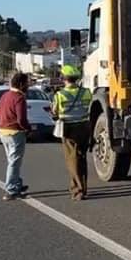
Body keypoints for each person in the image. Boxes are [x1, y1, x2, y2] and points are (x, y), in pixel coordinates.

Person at [52, 65, 93, 201]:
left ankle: (78, 191)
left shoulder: (60, 95)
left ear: (64, 78)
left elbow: (55, 112)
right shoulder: (86, 92)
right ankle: (82, 187)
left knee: (72, 160)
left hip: (69, 129)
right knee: (81, 158)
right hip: (85, 127)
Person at [0, 73, 31, 201]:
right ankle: (11, 190)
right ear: (21, 84)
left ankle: (17, 184)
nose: (28, 85)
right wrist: (28, 128)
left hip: (3, 131)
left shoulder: (5, 96)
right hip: (15, 133)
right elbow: (21, 118)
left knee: (12, 161)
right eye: (27, 83)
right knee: (14, 162)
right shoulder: (19, 97)